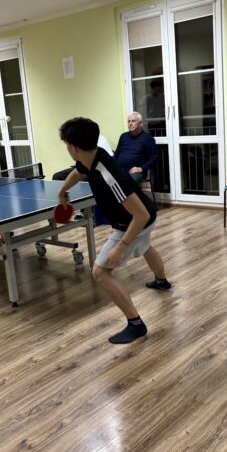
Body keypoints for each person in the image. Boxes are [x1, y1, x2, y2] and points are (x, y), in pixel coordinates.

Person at [57, 117, 171, 344]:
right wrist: (63, 191)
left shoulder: (108, 175)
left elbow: (140, 216)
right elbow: (78, 172)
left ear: (73, 147)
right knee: (146, 246)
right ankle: (161, 281)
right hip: (146, 214)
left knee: (100, 273)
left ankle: (135, 324)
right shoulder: (92, 156)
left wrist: (121, 246)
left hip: (136, 221)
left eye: (66, 144)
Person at [113, 111, 157, 183]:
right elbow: (116, 154)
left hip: (136, 172)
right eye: (129, 121)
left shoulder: (148, 138)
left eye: (133, 121)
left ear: (140, 123)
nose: (130, 124)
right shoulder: (123, 136)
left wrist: (141, 168)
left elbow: (153, 158)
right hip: (121, 170)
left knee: (128, 182)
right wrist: (114, 167)